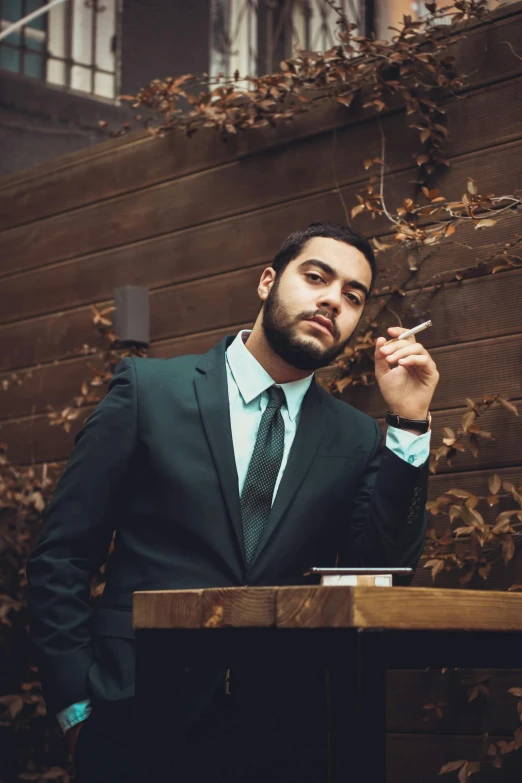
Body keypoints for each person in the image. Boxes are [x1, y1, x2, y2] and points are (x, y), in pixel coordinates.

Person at [26, 221, 439, 782]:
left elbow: (383, 573)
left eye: (352, 296)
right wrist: (77, 705)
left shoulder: (358, 438)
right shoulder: (149, 393)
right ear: (267, 282)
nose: (331, 301)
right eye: (316, 277)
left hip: (283, 737)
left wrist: (409, 425)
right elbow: (62, 556)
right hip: (134, 718)